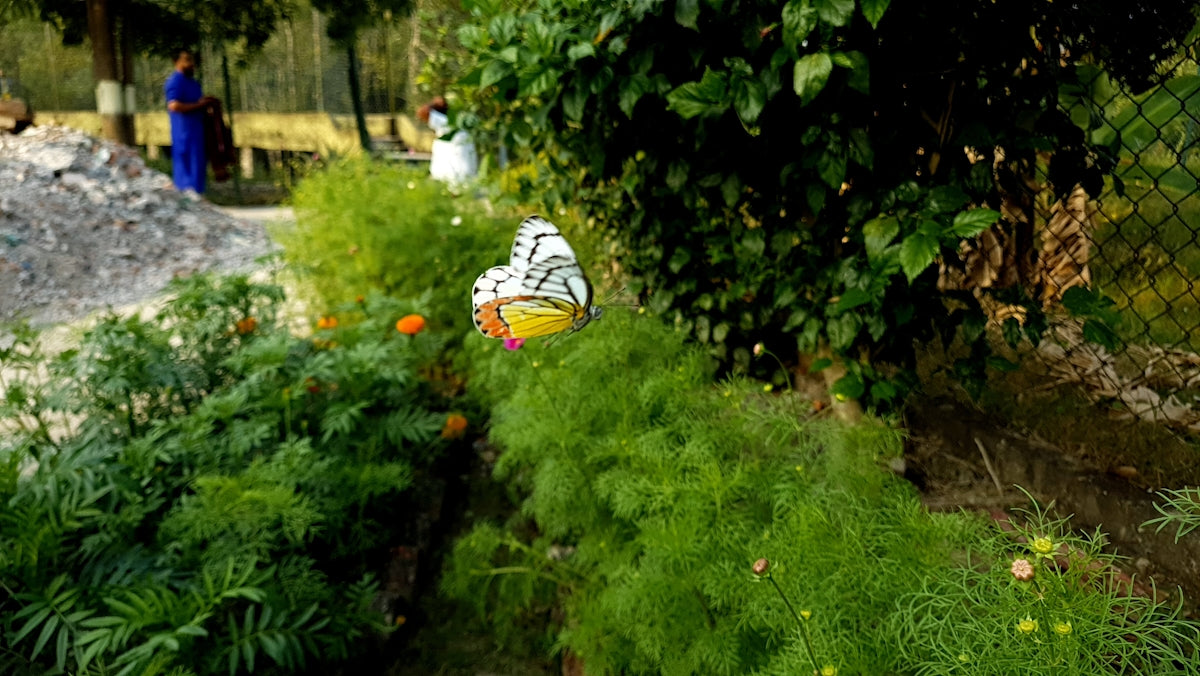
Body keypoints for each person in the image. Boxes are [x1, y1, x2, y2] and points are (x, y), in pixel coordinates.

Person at [164, 49, 214, 195]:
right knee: (186, 166)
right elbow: (174, 105)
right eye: (187, 60)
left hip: (197, 131)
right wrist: (198, 105)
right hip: (183, 133)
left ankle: (197, 194)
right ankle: (185, 195)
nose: (191, 64)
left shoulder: (193, 83)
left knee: (198, 165)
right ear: (176, 62)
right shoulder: (175, 81)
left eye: (192, 60)